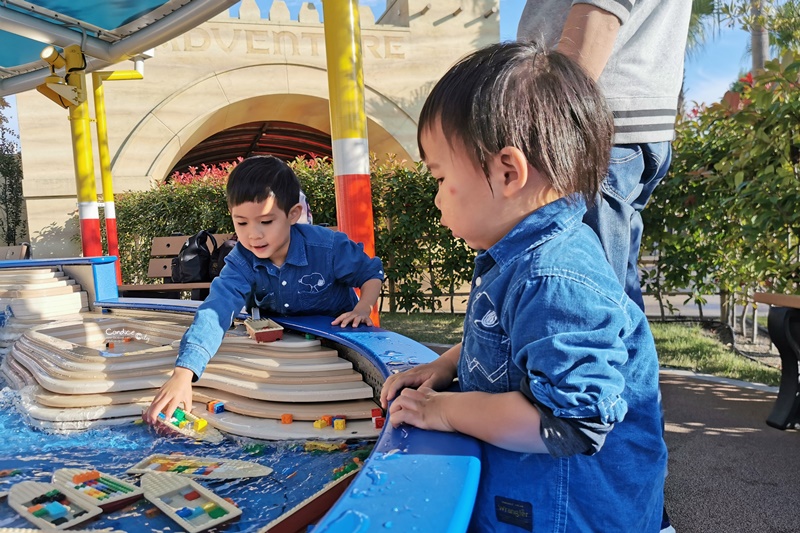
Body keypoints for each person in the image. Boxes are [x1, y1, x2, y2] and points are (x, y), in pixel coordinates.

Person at [380, 42, 667, 531]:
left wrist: (443, 411)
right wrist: (444, 366)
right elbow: (508, 342)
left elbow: (571, 423)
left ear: (508, 171)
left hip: (565, 513)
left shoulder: (555, 276)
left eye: (441, 176)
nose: (435, 199)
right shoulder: (520, 256)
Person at [144, 155, 384, 424]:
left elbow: (370, 273)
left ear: (292, 214)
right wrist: (183, 373)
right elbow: (217, 309)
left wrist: (363, 308)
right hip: (283, 351)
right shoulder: (241, 261)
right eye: (242, 223)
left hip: (340, 351)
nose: (253, 235)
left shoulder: (327, 247)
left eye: (266, 222)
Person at [517, 0, 692, 311]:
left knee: (581, 297)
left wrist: (545, 124)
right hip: (617, 119)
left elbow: (600, 14)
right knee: (610, 290)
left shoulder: (567, 119)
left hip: (589, 120)